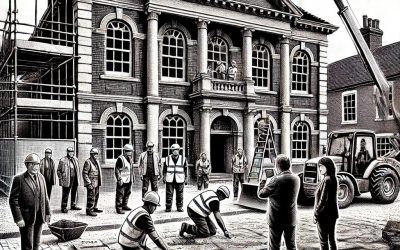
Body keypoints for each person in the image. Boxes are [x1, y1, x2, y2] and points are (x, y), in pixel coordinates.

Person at [258, 154, 300, 250]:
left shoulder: (276, 180)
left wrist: (263, 180)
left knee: (274, 246)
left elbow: (261, 194)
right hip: (291, 218)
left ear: (277, 165)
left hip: (276, 219)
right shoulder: (296, 178)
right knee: (291, 245)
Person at [9, 153, 51, 250]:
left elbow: (45, 197)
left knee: (36, 243)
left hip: (40, 216)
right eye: (31, 164)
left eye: (36, 164)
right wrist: (18, 218)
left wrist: (48, 213)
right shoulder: (19, 179)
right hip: (26, 218)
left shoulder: (41, 178)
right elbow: (13, 200)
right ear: (26, 165)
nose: (34, 167)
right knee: (27, 245)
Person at [314, 157, 339, 250]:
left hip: (323, 215)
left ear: (328, 166)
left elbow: (323, 200)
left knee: (323, 241)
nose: (319, 168)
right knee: (331, 239)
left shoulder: (327, 180)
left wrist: (316, 214)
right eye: (319, 166)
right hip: (332, 214)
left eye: (321, 166)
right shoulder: (333, 178)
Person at [163, 143, 188, 212]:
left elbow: (185, 169)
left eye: (177, 150)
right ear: (172, 150)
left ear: (179, 150)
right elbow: (164, 169)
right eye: (174, 150)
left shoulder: (183, 159)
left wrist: (186, 178)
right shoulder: (167, 158)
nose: (175, 151)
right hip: (169, 178)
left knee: (180, 193)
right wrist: (164, 177)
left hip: (180, 179)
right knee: (169, 193)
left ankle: (179, 207)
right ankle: (168, 207)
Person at [57, 147, 82, 213]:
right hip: (67, 179)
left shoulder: (75, 159)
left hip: (75, 178)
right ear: (67, 152)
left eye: (72, 152)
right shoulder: (63, 160)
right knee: (65, 193)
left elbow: (77, 169)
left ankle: (73, 205)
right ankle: (64, 207)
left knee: (74, 192)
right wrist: (61, 178)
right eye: (69, 152)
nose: (71, 153)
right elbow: (58, 171)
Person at [115, 144, 135, 214]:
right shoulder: (120, 159)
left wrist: (133, 178)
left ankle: (124, 205)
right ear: (124, 151)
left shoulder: (130, 159)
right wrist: (119, 179)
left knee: (127, 193)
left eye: (130, 151)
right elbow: (117, 170)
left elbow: (131, 169)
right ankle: (119, 208)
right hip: (122, 180)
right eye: (128, 151)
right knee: (120, 194)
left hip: (128, 179)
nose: (130, 153)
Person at [82, 147, 103, 216]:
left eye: (97, 154)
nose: (96, 155)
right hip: (91, 182)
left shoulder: (97, 161)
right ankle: (89, 210)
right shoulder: (88, 162)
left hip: (97, 181)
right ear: (91, 154)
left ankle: (94, 207)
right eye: (94, 154)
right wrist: (88, 183)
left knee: (96, 195)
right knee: (91, 196)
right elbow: (84, 173)